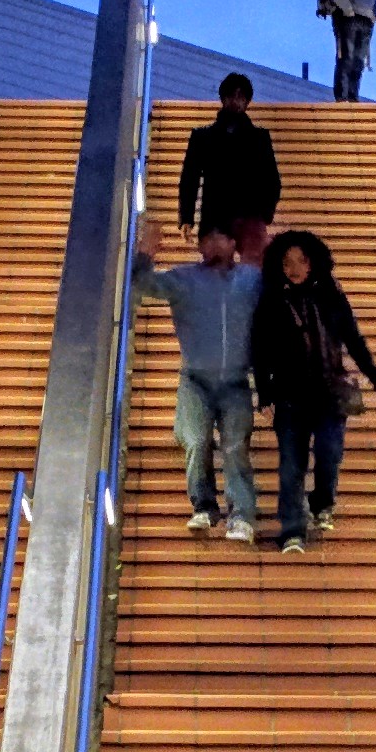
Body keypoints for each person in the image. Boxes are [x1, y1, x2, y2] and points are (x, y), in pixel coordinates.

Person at [251, 228, 376, 553]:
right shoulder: (271, 301)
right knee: (291, 465)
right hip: (289, 398)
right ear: (278, 266)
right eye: (287, 263)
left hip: (329, 395)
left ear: (314, 263)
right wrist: (264, 393)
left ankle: (321, 503)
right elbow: (260, 348)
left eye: (301, 261)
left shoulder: (332, 297)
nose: (295, 268)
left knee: (330, 455)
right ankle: (292, 531)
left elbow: (354, 340)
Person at [137, 222, 262, 541]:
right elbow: (143, 286)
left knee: (235, 447)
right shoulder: (184, 279)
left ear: (234, 243)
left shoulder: (251, 279)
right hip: (195, 379)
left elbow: (280, 300)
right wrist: (145, 252)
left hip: (236, 381)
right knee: (195, 441)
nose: (214, 244)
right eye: (207, 239)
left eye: (221, 237)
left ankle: (242, 515)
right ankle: (204, 506)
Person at [178, 72, 280, 250]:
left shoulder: (259, 138)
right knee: (215, 273)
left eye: (241, 97)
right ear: (223, 98)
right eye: (231, 96)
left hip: (249, 216)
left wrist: (264, 214)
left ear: (247, 101)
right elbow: (189, 179)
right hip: (215, 215)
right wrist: (186, 217)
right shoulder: (203, 137)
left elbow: (271, 180)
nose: (236, 101)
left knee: (250, 272)